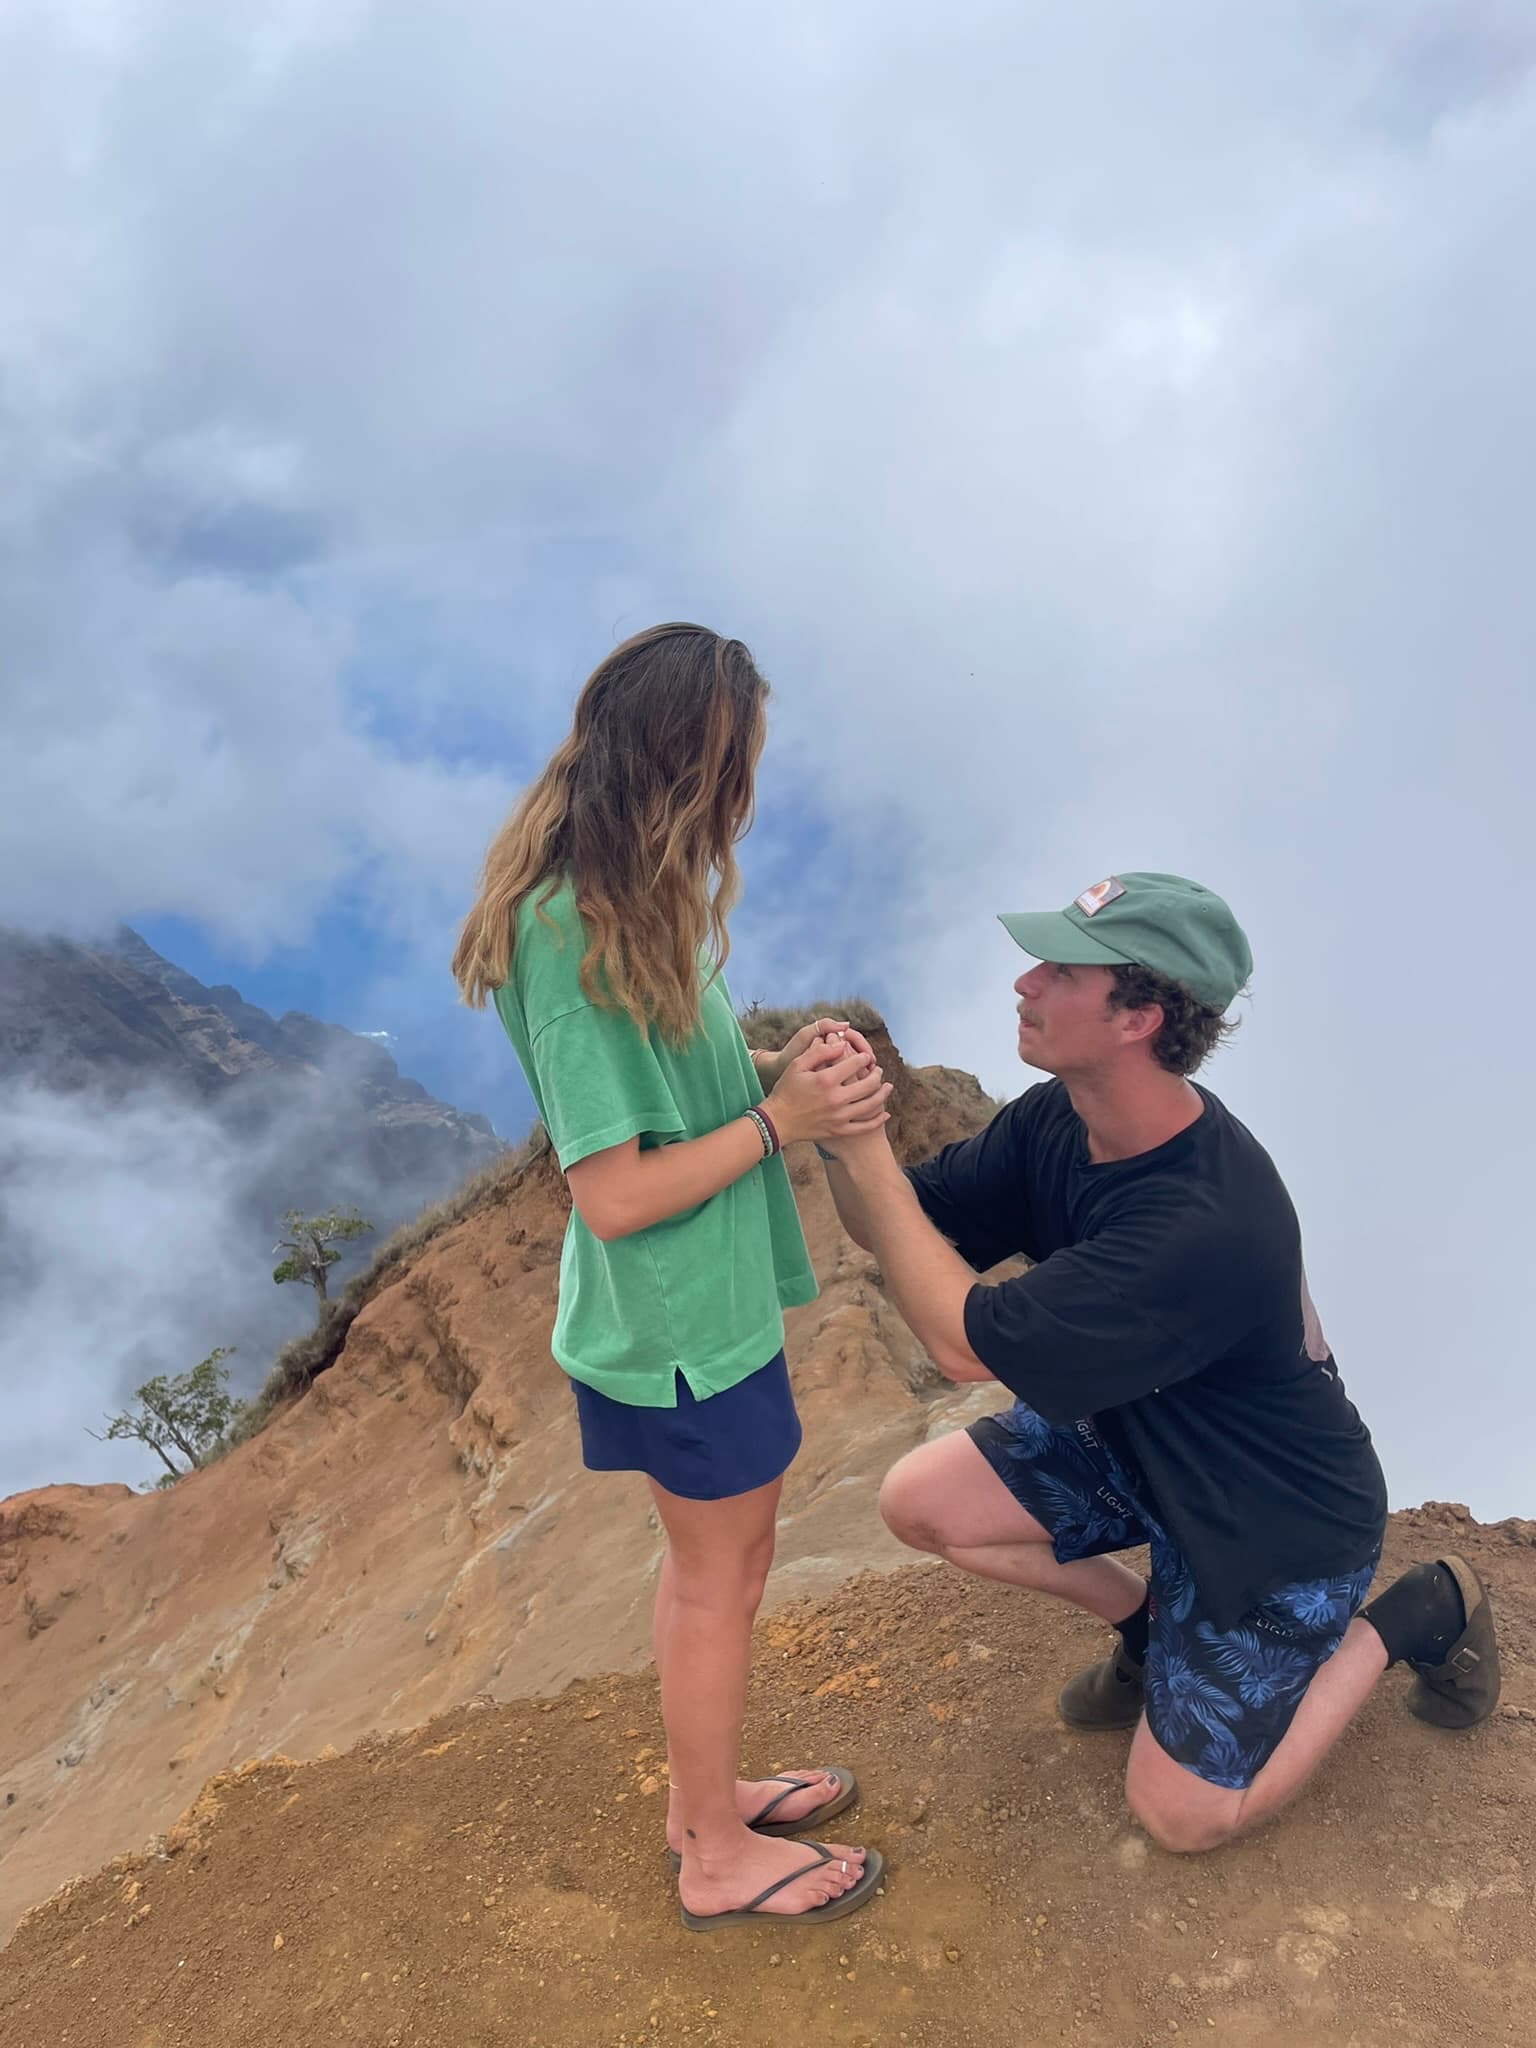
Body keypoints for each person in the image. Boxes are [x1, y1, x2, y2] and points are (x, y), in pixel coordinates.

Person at [813, 871, 1499, 1851]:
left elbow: (961, 1342)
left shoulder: (1204, 1222)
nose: (1025, 982)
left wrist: (862, 1144)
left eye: (1059, 969)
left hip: (1276, 1527)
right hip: (1149, 1439)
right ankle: (1148, 1630)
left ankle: (1414, 1608)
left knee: (1181, 1814)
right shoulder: (1061, 1117)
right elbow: (897, 1221)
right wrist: (836, 1129)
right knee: (921, 1500)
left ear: (1140, 1013)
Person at [451, 623, 889, 1927]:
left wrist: (769, 1072)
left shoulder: (627, 902)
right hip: (678, 1327)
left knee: (725, 1570)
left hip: (704, 1313)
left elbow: (667, 1093)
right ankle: (711, 1855)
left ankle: (707, 1797)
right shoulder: (574, 947)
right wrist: (783, 1130)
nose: (749, 788)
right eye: (740, 758)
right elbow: (615, 1191)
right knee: (717, 1578)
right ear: (697, 766)